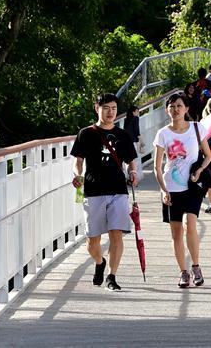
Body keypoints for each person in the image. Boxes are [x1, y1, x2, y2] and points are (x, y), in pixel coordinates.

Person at [71, 93, 139, 291]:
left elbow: (130, 160)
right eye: (106, 108)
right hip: (93, 191)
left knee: (116, 233)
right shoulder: (86, 133)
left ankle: (112, 275)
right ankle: (100, 262)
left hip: (118, 189)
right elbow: (78, 160)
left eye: (114, 108)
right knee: (93, 242)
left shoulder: (123, 135)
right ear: (97, 108)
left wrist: (133, 171)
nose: (111, 112)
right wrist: (77, 174)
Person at [154, 93, 211, 288]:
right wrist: (163, 190)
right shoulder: (163, 133)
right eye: (171, 107)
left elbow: (208, 155)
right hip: (172, 187)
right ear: (166, 110)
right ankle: (183, 272)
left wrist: (200, 170)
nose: (175, 110)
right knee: (176, 233)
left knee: (190, 225)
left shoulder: (197, 128)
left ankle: (196, 266)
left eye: (179, 106)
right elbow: (157, 167)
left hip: (192, 185)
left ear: (186, 109)